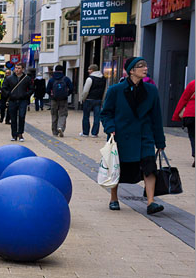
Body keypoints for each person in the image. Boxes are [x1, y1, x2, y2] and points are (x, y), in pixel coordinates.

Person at [101, 57, 166, 215]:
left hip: (145, 136)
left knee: (149, 167)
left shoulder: (151, 91)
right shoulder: (115, 90)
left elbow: (157, 117)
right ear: (131, 70)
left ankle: (151, 202)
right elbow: (106, 113)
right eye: (140, 66)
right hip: (121, 136)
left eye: (145, 65)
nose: (145, 68)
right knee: (117, 168)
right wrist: (110, 128)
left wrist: (160, 141)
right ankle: (114, 198)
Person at [2, 63, 32, 141]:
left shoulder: (27, 78)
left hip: (23, 100)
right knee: (13, 118)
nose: (17, 70)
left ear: (22, 69)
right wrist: (9, 95)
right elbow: (4, 88)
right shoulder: (9, 78)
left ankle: (20, 134)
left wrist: (26, 95)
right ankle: (14, 135)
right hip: (12, 100)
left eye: (19, 68)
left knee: (22, 116)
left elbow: (32, 88)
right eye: (16, 68)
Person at [171, 79, 195, 167]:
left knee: (193, 135)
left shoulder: (192, 84)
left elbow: (183, 99)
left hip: (191, 114)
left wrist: (176, 115)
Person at [79, 64, 106, 137]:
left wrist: (83, 98)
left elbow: (85, 91)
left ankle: (85, 132)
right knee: (97, 117)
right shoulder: (103, 78)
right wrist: (102, 99)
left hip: (89, 99)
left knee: (86, 116)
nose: (88, 71)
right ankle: (94, 133)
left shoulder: (90, 78)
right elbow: (104, 90)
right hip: (98, 99)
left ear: (93, 70)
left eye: (89, 69)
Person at [46, 64, 73, 137]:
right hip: (63, 99)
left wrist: (51, 95)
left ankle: (54, 132)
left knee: (54, 114)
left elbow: (47, 90)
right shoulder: (66, 79)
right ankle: (60, 127)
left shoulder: (52, 79)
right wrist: (67, 94)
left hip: (54, 99)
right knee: (63, 114)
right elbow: (71, 89)